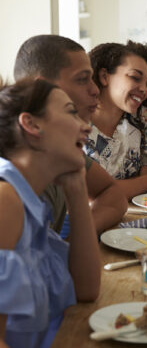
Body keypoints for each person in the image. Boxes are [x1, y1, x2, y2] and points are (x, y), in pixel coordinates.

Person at [0, 78, 101, 347]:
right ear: (32, 125)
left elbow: (87, 289)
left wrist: (77, 189)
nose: (86, 126)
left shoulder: (30, 204)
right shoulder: (5, 200)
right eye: (70, 111)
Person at [13, 35, 128, 235]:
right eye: (82, 79)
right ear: (42, 88)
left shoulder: (61, 147)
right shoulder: (12, 180)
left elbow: (113, 194)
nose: (95, 90)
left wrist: (72, 244)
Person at [84, 41, 147, 200]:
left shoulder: (142, 119)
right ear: (104, 77)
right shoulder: (76, 123)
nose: (144, 89)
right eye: (135, 77)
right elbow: (88, 195)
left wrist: (144, 182)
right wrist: (143, 182)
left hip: (132, 215)